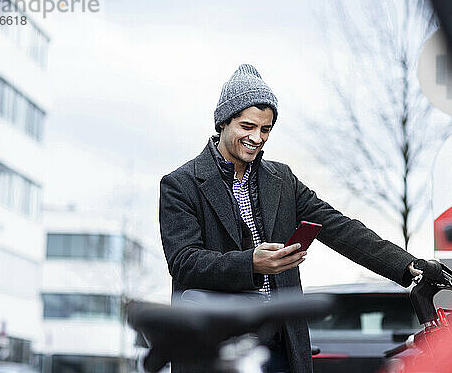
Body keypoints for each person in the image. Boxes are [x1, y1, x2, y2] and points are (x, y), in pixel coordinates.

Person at [159, 63, 422, 373]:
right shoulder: (181, 184)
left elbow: (338, 227)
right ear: (223, 123)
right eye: (247, 126)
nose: (257, 138)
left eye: (265, 129)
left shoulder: (281, 180)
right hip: (217, 351)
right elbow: (184, 262)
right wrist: (251, 263)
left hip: (281, 349)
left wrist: (408, 265)